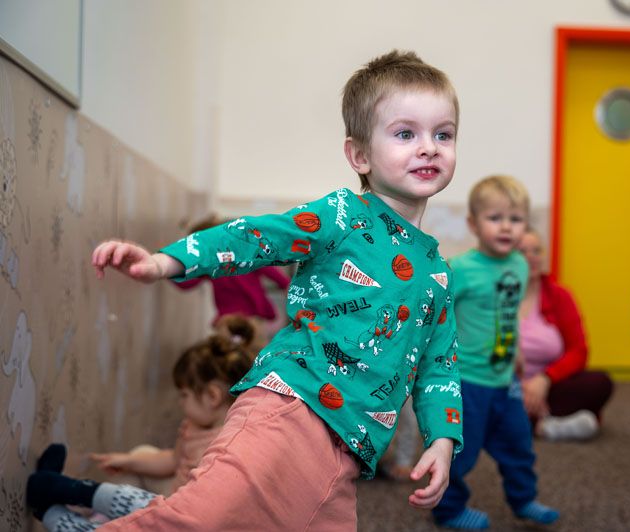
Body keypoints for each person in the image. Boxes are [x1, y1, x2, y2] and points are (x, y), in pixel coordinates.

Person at [86, 50, 463, 531]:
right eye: (406, 133)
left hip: (348, 454)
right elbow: (258, 236)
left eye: (443, 134)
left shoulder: (437, 273)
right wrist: (165, 261)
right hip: (288, 409)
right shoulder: (344, 215)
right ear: (360, 155)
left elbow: (440, 364)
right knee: (194, 521)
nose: (429, 147)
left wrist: (442, 440)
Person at [26, 315, 258, 530]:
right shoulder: (194, 424)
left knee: (130, 505)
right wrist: (128, 461)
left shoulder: (226, 449)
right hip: (173, 495)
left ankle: (58, 513)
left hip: (179, 518)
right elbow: (173, 460)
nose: (180, 403)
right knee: (141, 455)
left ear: (212, 396)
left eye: (184, 395)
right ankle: (78, 501)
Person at [432, 175, 559, 529]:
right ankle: (448, 509)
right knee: (460, 452)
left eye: (515, 219)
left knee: (519, 445)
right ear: (473, 224)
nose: (506, 227)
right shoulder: (460, 269)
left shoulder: (519, 265)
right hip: (467, 381)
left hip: (506, 379)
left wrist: (516, 351)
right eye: (495, 218)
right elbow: (436, 317)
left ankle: (524, 499)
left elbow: (509, 312)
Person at [516, 229, 613, 441]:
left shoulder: (560, 295)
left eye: (537, 251)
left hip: (551, 385)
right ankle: (543, 425)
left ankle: (528, 420)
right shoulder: (493, 296)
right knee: (472, 393)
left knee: (600, 382)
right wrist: (520, 387)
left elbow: (579, 351)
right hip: (506, 386)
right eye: (523, 251)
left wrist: (544, 379)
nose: (531, 257)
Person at [173, 213, 291, 348]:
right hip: (250, 318)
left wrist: (169, 267)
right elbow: (281, 280)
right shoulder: (247, 253)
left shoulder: (210, 262)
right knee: (254, 355)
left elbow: (185, 284)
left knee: (227, 353)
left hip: (229, 320)